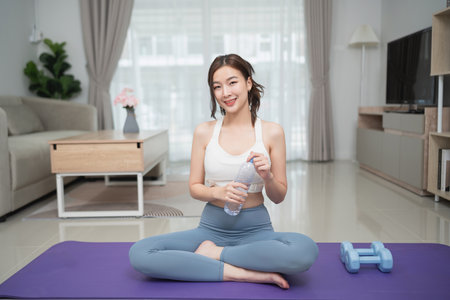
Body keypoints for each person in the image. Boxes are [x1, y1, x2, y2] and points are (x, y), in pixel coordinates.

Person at [129, 54, 318, 289]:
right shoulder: (204, 132)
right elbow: (194, 188)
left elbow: (278, 197)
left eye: (232, 82)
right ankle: (241, 272)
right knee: (140, 252)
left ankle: (216, 255)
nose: (225, 93)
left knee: (305, 251)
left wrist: (267, 176)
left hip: (256, 230)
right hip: (211, 229)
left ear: (248, 83)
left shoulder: (272, 132)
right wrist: (218, 193)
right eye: (217, 87)